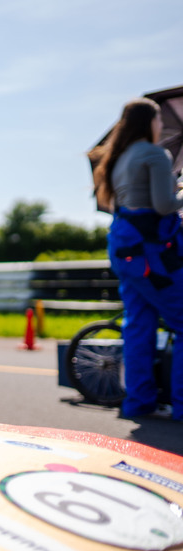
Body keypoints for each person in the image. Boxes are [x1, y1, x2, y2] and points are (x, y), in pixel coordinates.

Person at [91, 97, 183, 419]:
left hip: (124, 250)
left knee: (139, 325)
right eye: (159, 121)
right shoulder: (156, 154)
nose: (161, 127)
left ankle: (139, 403)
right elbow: (162, 206)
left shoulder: (118, 159)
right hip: (151, 254)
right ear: (151, 123)